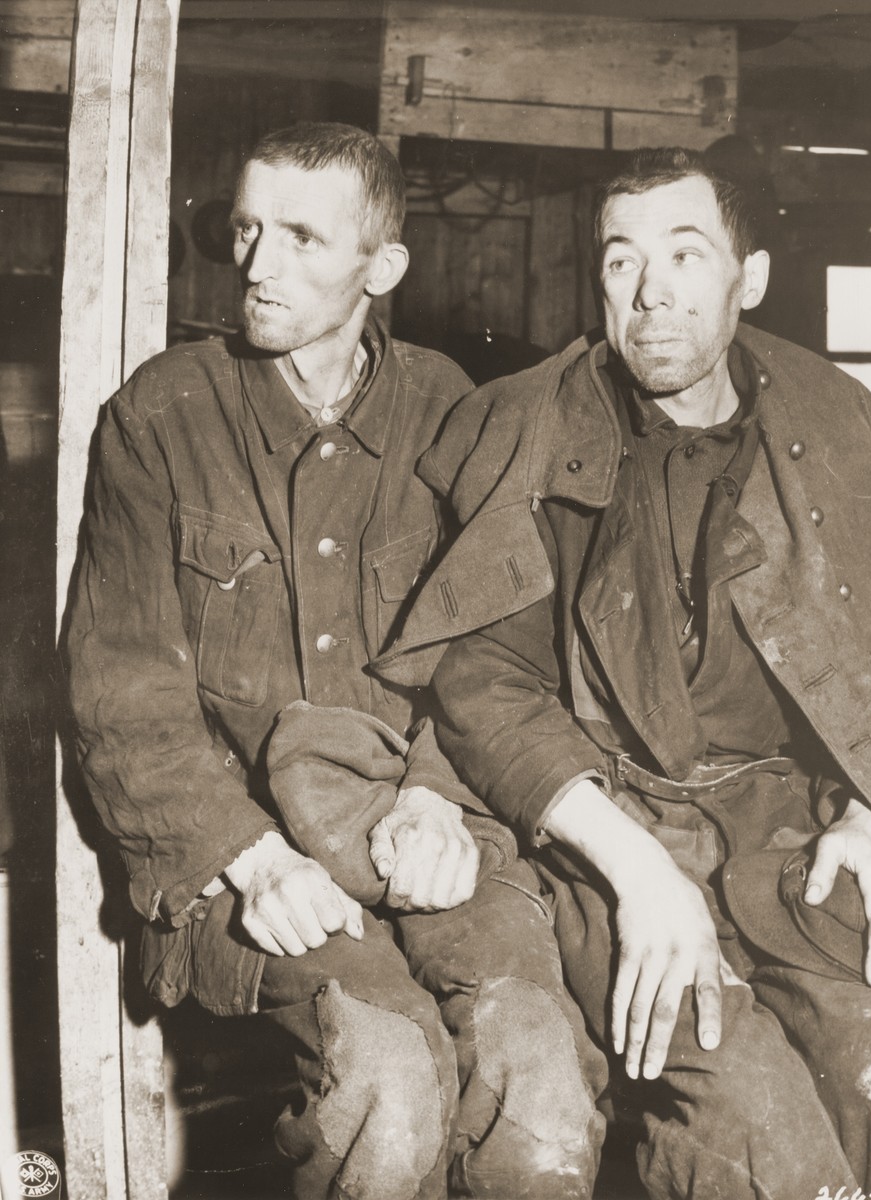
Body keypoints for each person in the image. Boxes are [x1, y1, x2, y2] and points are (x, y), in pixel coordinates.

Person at [65, 122, 607, 1200]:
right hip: (247, 858)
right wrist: (248, 856)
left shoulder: (452, 409)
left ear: (383, 267)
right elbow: (122, 688)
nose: (260, 267)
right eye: (248, 230)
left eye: (304, 239)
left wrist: (440, 796)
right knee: (390, 1073)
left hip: (432, 826)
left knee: (536, 1070)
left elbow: (497, 651)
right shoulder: (161, 415)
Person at [377, 147, 871, 1197]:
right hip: (613, 833)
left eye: (686, 254)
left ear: (747, 280)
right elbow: (482, 684)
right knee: (753, 1118)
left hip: (788, 842)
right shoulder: (532, 427)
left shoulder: (845, 428)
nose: (651, 292)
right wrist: (638, 873)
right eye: (621, 261)